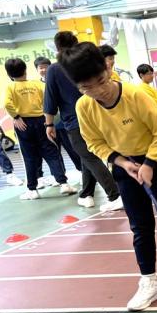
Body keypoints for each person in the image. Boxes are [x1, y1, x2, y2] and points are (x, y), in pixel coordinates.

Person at [60, 42, 157, 310]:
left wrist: (149, 163)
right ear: (78, 87)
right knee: (140, 227)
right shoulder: (84, 107)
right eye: (87, 88)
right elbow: (94, 142)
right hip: (124, 169)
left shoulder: (136, 95)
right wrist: (122, 162)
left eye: (101, 81)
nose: (98, 91)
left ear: (107, 68)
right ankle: (150, 282)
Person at [44, 32, 123, 211]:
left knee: (89, 157)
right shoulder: (87, 64)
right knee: (86, 156)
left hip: (75, 120)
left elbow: (50, 98)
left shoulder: (55, 69)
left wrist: (49, 124)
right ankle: (86, 194)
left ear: (57, 48)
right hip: (99, 115)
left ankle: (115, 195)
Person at [3, 58, 76, 200]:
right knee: (51, 152)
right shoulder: (37, 84)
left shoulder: (10, 87)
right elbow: (48, 101)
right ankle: (64, 183)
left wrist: (16, 116)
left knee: (29, 157)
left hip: (23, 124)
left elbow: (7, 104)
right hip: (41, 121)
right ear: (25, 70)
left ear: (9, 74)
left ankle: (32, 189)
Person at [35, 56, 81, 172]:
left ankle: (81, 169)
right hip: (49, 123)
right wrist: (48, 123)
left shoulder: (59, 79)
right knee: (55, 151)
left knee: (73, 148)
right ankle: (61, 176)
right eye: (41, 68)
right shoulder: (36, 86)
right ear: (37, 70)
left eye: (46, 67)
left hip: (64, 122)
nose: (44, 70)